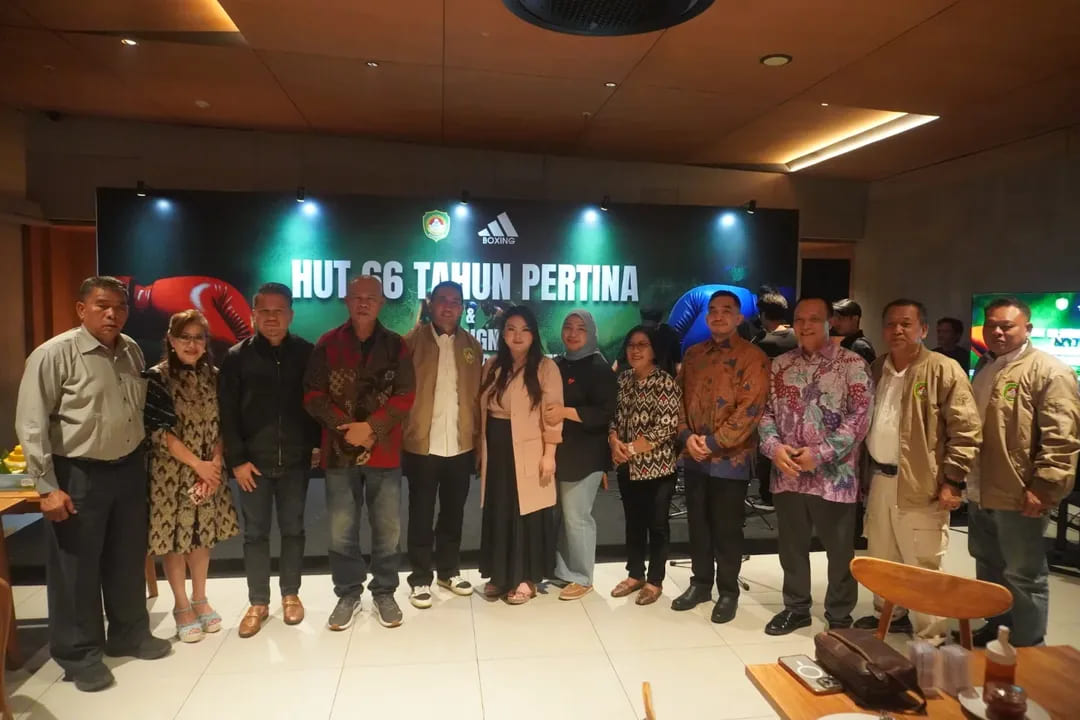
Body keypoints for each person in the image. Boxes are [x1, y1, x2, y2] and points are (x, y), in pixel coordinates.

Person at [15, 276, 170, 692]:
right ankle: (79, 654)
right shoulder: (53, 354)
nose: (112, 314)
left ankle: (129, 633)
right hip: (77, 473)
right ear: (81, 309)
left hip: (127, 468)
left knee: (126, 557)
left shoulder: (130, 349)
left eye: (119, 306)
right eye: (102, 305)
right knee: (76, 567)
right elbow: (31, 424)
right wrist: (46, 487)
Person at [854, 299, 981, 638]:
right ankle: (890, 616)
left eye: (906, 323)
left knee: (923, 562)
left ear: (923, 329)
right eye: (890, 324)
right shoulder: (877, 368)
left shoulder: (942, 369)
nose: (897, 330)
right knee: (882, 556)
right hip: (880, 479)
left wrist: (953, 480)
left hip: (923, 483)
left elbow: (966, 430)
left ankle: (931, 636)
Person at [304, 274, 415, 630]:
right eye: (357, 297)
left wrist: (371, 428)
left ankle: (385, 591)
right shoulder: (327, 344)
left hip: (384, 452)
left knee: (388, 529)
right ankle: (348, 593)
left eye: (371, 297)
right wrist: (347, 428)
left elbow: (405, 395)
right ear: (346, 301)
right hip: (339, 453)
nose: (364, 302)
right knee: (341, 530)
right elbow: (312, 395)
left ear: (381, 302)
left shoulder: (396, 346)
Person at [968, 297, 1080, 647]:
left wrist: (1045, 488)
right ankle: (997, 627)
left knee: (1024, 573)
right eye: (991, 325)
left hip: (1020, 493)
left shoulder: (1049, 371)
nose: (997, 332)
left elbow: (1062, 437)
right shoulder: (986, 366)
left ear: (1027, 328)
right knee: (988, 564)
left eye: (1007, 326)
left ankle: (1029, 646)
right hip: (980, 487)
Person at [759, 297, 873, 635]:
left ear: (829, 322)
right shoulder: (780, 364)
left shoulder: (852, 364)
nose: (805, 325)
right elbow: (764, 412)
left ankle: (839, 615)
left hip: (834, 478)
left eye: (813, 319)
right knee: (791, 548)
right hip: (788, 474)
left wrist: (820, 454)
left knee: (839, 552)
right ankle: (796, 608)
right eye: (799, 319)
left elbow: (859, 420)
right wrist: (774, 448)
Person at [218, 282, 320, 638]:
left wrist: (315, 446)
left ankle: (291, 594)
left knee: (293, 530)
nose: (272, 318)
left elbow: (316, 405)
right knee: (255, 534)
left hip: (295, 461)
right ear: (253, 315)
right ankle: (258, 601)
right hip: (252, 465)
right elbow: (227, 413)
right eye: (265, 311)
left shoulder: (307, 353)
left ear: (290, 315)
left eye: (279, 311)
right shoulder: (236, 357)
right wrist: (237, 461)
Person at [672, 291, 770, 624]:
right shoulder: (694, 354)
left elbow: (751, 409)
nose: (718, 315)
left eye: (726, 310)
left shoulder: (753, 357)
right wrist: (686, 436)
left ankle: (728, 592)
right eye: (712, 310)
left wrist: (714, 442)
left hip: (732, 459)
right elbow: (678, 400)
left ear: (738, 318)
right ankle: (700, 584)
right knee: (697, 525)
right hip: (695, 455)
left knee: (727, 529)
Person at [144, 309, 240, 643]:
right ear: (171, 340)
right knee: (175, 539)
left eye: (198, 338)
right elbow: (159, 431)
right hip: (171, 473)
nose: (192, 344)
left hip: (210, 469)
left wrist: (214, 462)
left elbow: (224, 423)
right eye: (184, 337)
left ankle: (200, 598)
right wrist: (197, 465)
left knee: (201, 536)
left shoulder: (215, 376)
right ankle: (181, 605)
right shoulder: (156, 378)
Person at [402, 281, 483, 609]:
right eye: (442, 300)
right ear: (431, 304)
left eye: (455, 301)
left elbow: (476, 398)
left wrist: (478, 442)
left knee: (453, 512)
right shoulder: (410, 343)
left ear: (462, 308)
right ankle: (420, 578)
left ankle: (449, 571)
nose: (449, 306)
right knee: (420, 514)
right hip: (422, 445)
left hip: (460, 445)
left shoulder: (472, 346)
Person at [478, 306, 563, 605]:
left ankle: (526, 578)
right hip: (497, 449)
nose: (517, 335)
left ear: (533, 335)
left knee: (526, 513)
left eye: (524, 329)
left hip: (529, 450)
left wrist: (549, 454)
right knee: (499, 510)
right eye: (511, 329)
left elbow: (553, 416)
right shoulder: (492, 365)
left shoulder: (546, 368)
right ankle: (500, 575)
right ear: (503, 333)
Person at [609, 326, 682, 606]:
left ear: (654, 350)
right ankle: (635, 574)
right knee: (634, 523)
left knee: (657, 525)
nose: (635, 350)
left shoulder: (664, 382)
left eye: (642, 345)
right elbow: (613, 417)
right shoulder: (623, 380)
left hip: (658, 468)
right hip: (627, 467)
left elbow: (665, 427)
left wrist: (628, 449)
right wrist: (613, 440)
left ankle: (655, 580)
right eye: (631, 345)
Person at [549, 310, 617, 600]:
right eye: (568, 327)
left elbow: (604, 413)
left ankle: (582, 576)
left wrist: (564, 412)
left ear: (591, 333)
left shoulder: (599, 368)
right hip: (559, 452)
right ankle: (564, 570)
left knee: (577, 517)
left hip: (586, 455)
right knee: (563, 515)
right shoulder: (557, 364)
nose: (573, 333)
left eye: (581, 328)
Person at [751, 290, 797, 509]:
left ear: (762, 314)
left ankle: (768, 496)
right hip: (796, 405)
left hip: (769, 404)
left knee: (768, 450)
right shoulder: (798, 337)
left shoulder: (764, 342)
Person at [832, 298, 876, 364]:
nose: (836, 323)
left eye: (840, 318)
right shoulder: (850, 344)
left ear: (855, 319)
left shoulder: (859, 347)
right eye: (835, 318)